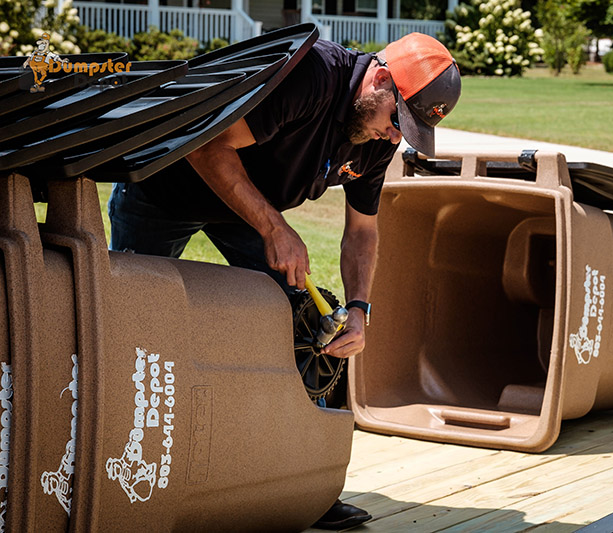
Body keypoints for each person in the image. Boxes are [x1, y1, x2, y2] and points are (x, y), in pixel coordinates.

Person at [108, 31, 461, 529]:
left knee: (306, 330)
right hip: (165, 190)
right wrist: (274, 228)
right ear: (380, 79)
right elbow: (206, 145)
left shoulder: (377, 140)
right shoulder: (310, 75)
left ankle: (305, 486)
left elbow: (362, 232)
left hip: (250, 211)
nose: (394, 137)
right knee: (129, 327)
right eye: (398, 120)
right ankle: (116, 477)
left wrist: (359, 309)